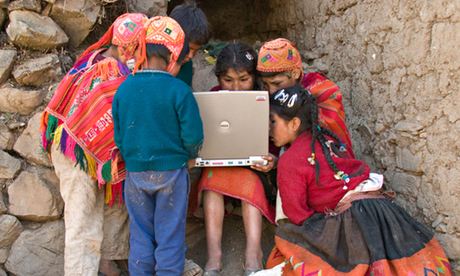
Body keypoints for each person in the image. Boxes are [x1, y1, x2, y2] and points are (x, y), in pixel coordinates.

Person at [257, 85, 452, 275]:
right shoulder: (329, 140)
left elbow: (297, 215)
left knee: (288, 235)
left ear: (294, 124)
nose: (268, 129)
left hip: (353, 224)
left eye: (272, 122)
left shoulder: (290, 160)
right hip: (386, 215)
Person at [39, 13, 148, 276]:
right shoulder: (111, 73)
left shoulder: (93, 58)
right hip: (75, 151)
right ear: (132, 48)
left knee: (109, 210)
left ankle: (106, 265)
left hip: (83, 147)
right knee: (82, 220)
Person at [112, 16, 203, 276]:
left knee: (140, 233)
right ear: (173, 57)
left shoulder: (124, 89)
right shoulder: (179, 90)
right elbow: (193, 135)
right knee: (170, 233)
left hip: (136, 173)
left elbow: (119, 137)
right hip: (173, 173)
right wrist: (190, 155)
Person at [194, 42, 276, 276]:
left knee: (249, 186)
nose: (236, 87)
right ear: (219, 77)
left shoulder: (264, 100)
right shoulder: (212, 98)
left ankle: (253, 253)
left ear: (254, 77)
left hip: (255, 170)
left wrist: (272, 159)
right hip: (218, 166)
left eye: (243, 79)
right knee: (211, 186)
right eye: (228, 80)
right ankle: (214, 256)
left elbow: (278, 140)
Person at [257, 38, 354, 157]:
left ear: (295, 73)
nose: (271, 91)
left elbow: (328, 140)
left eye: (277, 83)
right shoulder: (268, 95)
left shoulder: (322, 92)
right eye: (266, 84)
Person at [169, 1, 210, 86]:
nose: (190, 56)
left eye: (195, 51)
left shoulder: (187, 66)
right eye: (188, 48)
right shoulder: (154, 63)